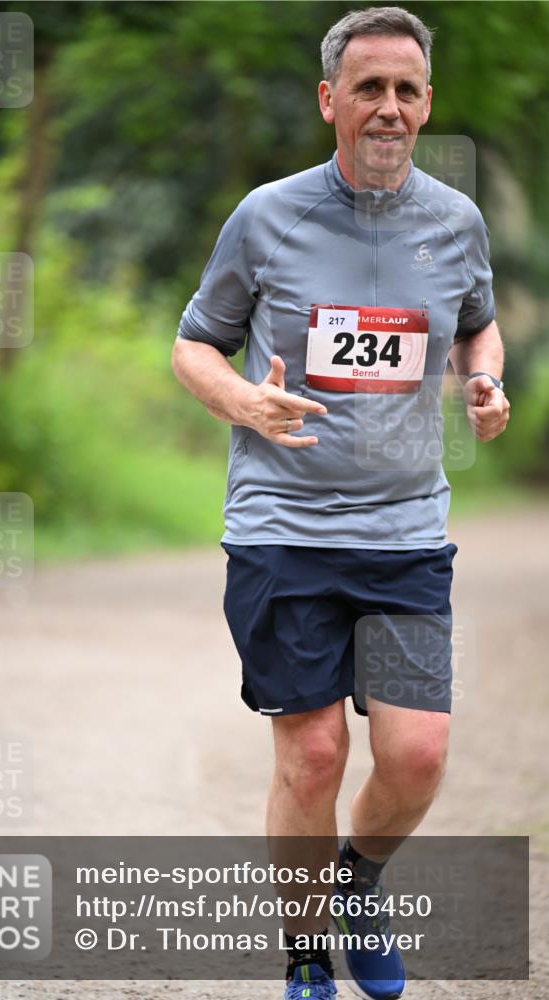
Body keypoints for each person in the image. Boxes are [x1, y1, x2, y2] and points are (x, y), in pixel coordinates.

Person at [171, 7, 510, 1000]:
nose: (389, 108)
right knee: (313, 752)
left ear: (427, 103)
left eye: (406, 89)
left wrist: (484, 380)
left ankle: (357, 883)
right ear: (330, 100)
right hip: (284, 531)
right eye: (369, 88)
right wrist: (241, 400)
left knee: (416, 755)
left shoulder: (456, 221)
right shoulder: (266, 216)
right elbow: (193, 343)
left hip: (404, 536)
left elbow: (477, 328)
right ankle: (305, 950)